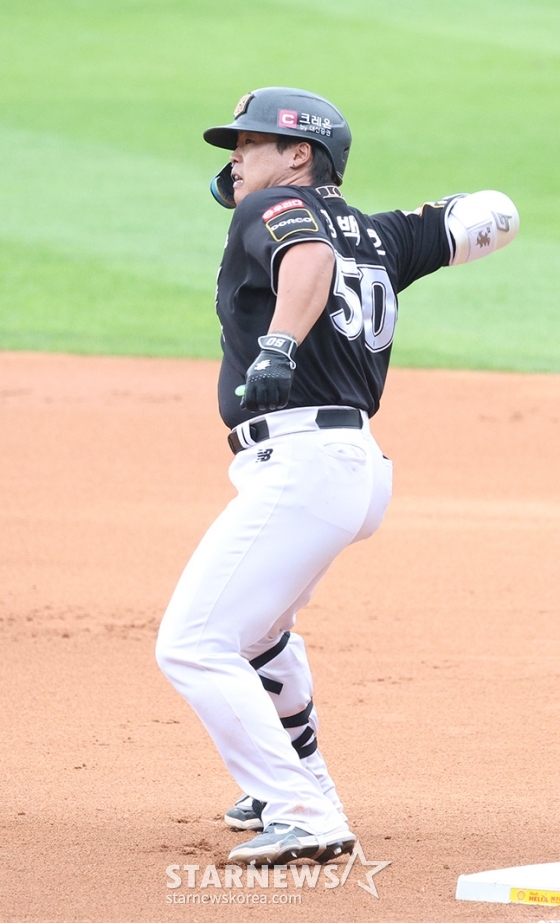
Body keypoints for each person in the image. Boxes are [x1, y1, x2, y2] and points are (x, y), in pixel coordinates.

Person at [155, 86, 519, 866]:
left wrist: (280, 345)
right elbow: (496, 214)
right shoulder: (382, 235)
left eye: (250, 144)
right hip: (348, 471)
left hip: (304, 464)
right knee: (260, 635)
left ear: (299, 155)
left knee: (192, 643)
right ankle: (293, 783)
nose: (235, 159)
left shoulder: (274, 209)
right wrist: (417, 222)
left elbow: (309, 254)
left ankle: (300, 810)